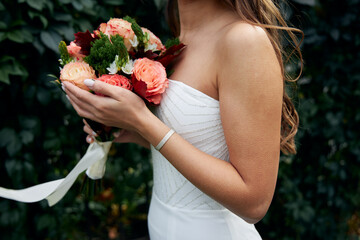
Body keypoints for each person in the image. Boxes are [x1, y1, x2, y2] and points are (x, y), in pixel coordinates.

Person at [62, 0, 302, 239]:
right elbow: (202, 147)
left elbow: (254, 203)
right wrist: (133, 131)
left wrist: (143, 122)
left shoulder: (244, 39)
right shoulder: (181, 36)